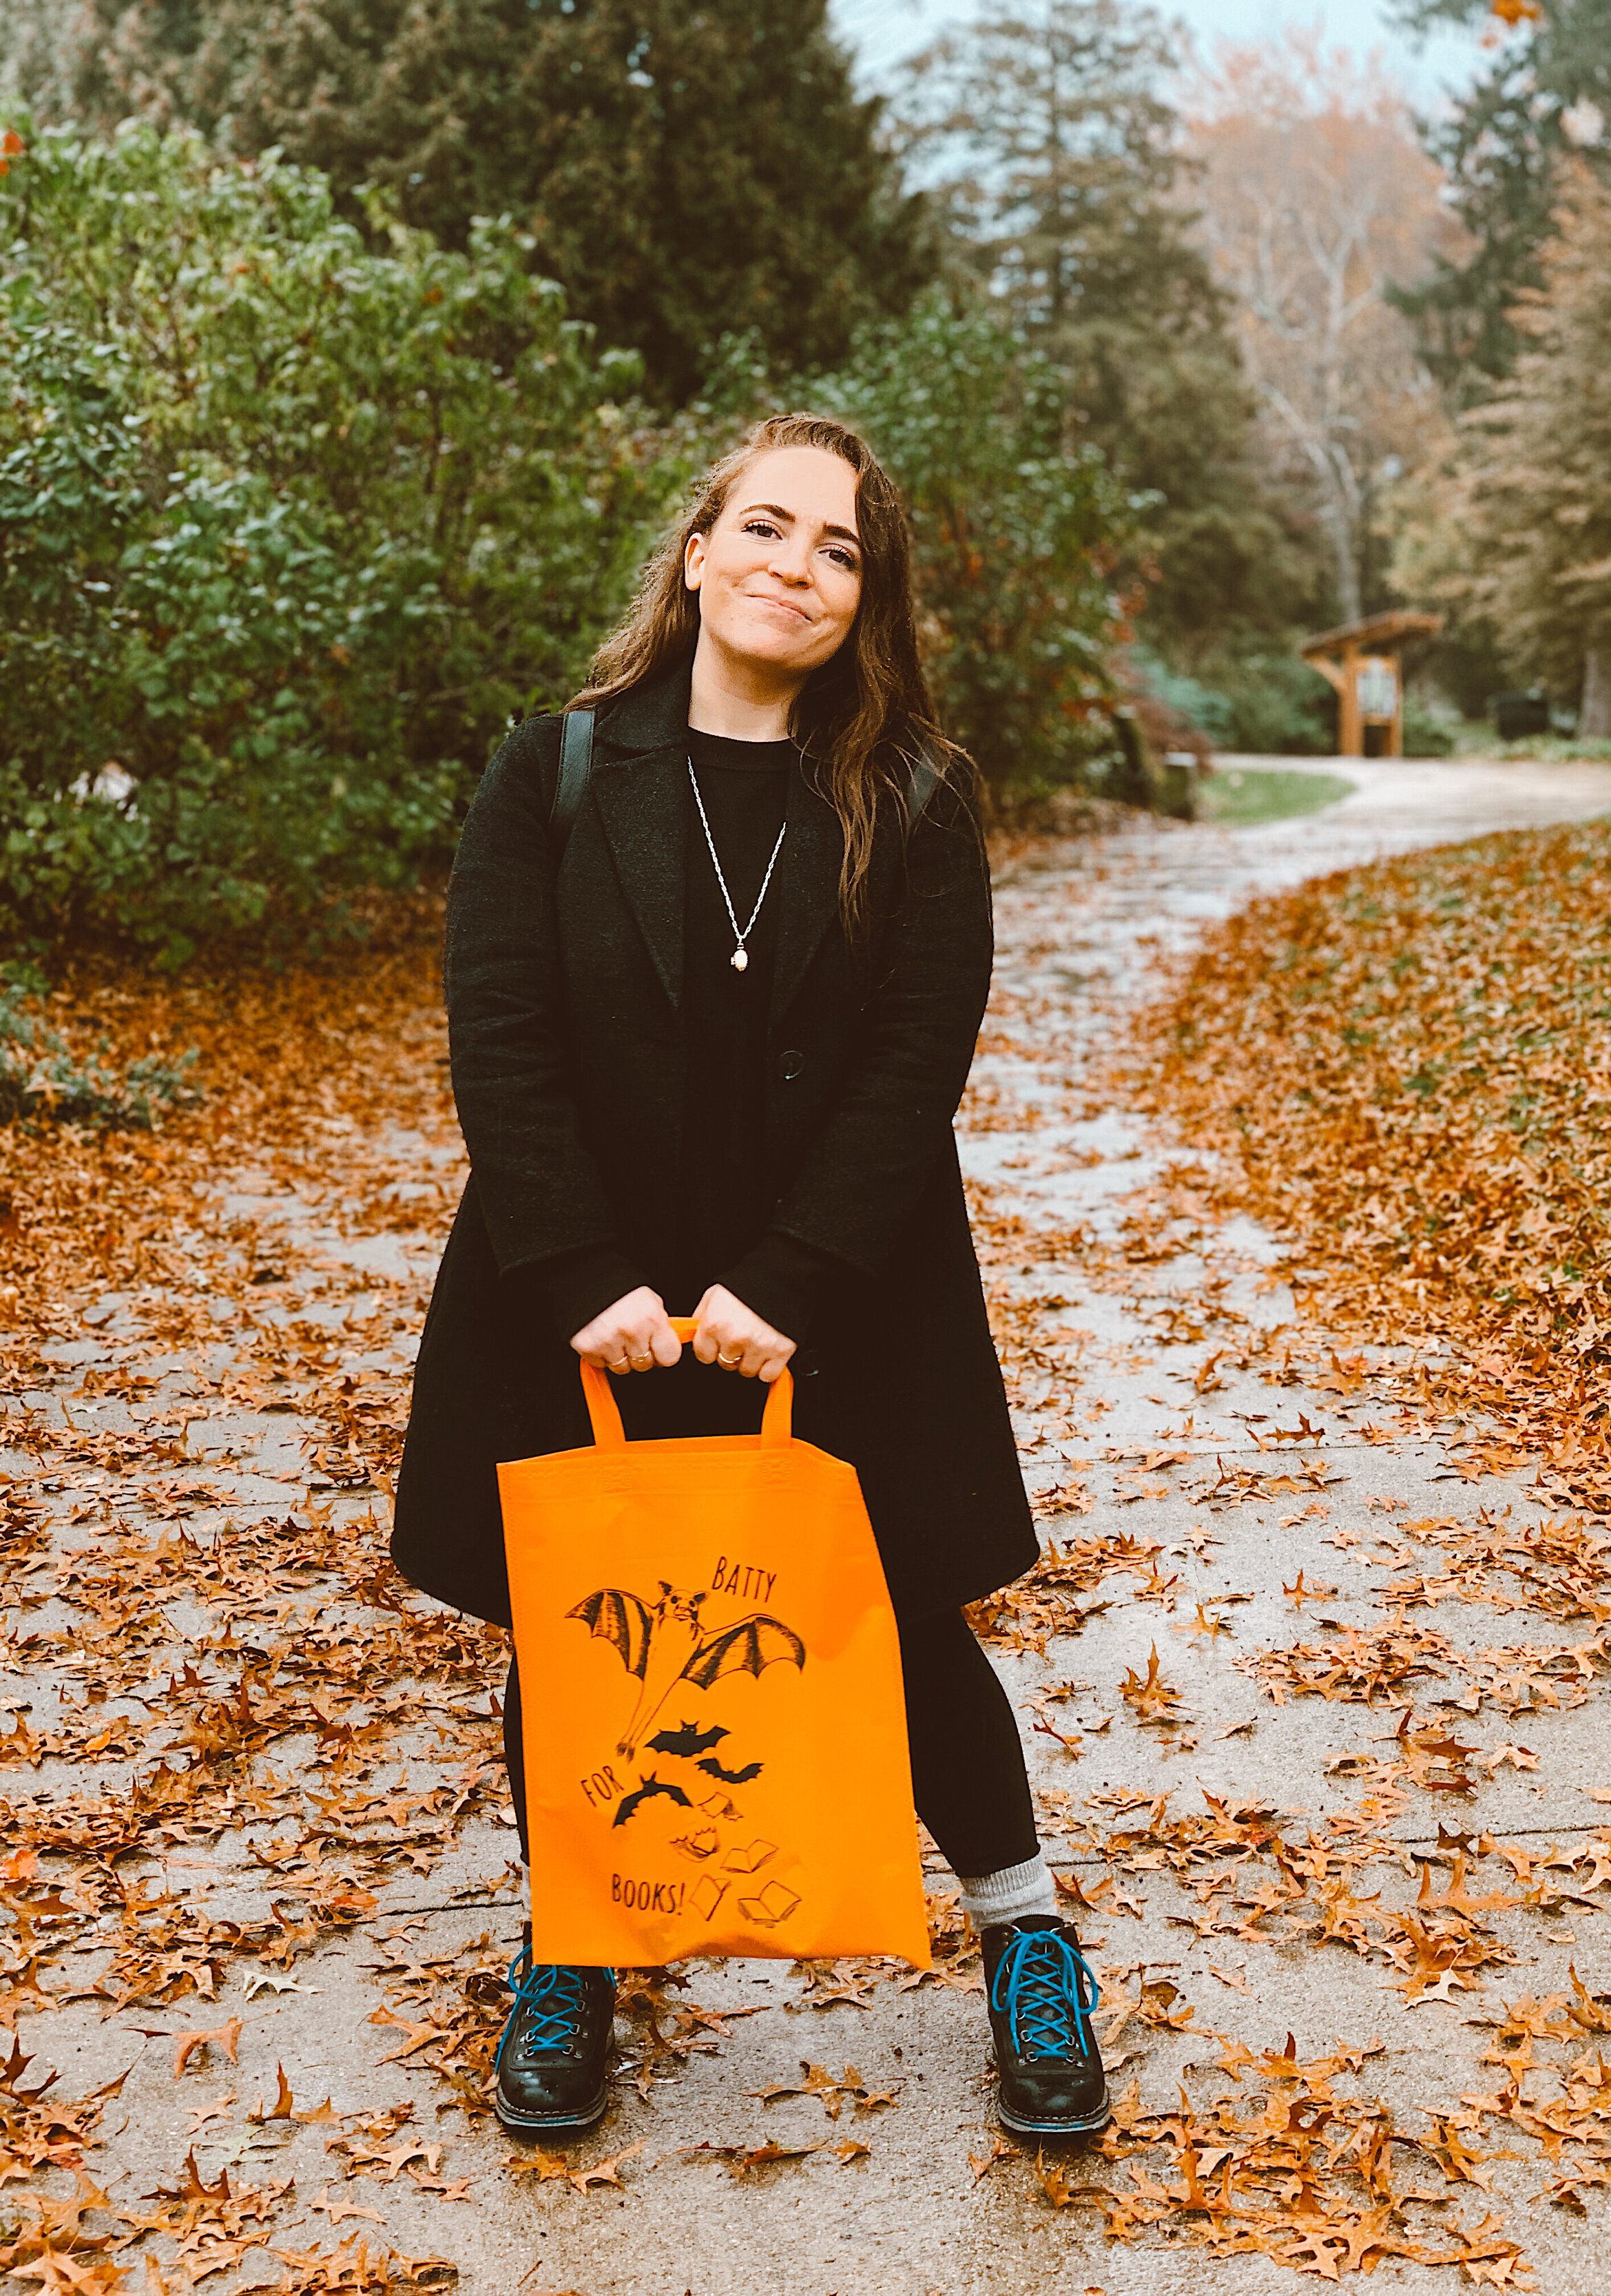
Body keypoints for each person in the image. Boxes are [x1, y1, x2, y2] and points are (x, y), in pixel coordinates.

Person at [391, 413, 1109, 2146]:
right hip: (584, 1294)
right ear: (698, 552)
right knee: (587, 1619)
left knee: (893, 1616)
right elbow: (500, 1034)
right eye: (767, 528)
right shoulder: (552, 768)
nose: (796, 565)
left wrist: (793, 1273)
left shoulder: (915, 793)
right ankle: (576, 1943)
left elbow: (916, 1058)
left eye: (839, 549)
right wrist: (575, 1266)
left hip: (839, 1285)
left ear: (866, 601)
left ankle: (1027, 1936)